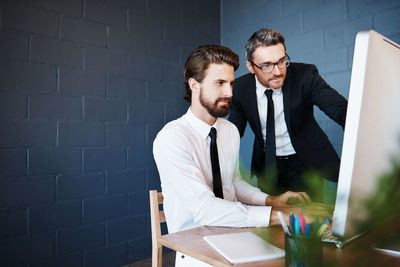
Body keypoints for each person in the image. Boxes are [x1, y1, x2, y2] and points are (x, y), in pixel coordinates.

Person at [153, 45, 329, 267]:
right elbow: (205, 209)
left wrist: (271, 201)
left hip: (236, 232)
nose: (229, 93)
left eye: (231, 83)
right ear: (194, 85)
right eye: (220, 83)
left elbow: (233, 183)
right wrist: (277, 217)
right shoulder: (171, 138)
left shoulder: (229, 131)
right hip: (196, 248)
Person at [228, 29, 348, 200]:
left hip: (305, 163)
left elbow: (339, 109)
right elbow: (232, 132)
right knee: (273, 219)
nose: (277, 72)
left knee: (309, 220)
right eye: (267, 65)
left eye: (282, 61)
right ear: (251, 67)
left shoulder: (305, 75)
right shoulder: (240, 89)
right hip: (268, 165)